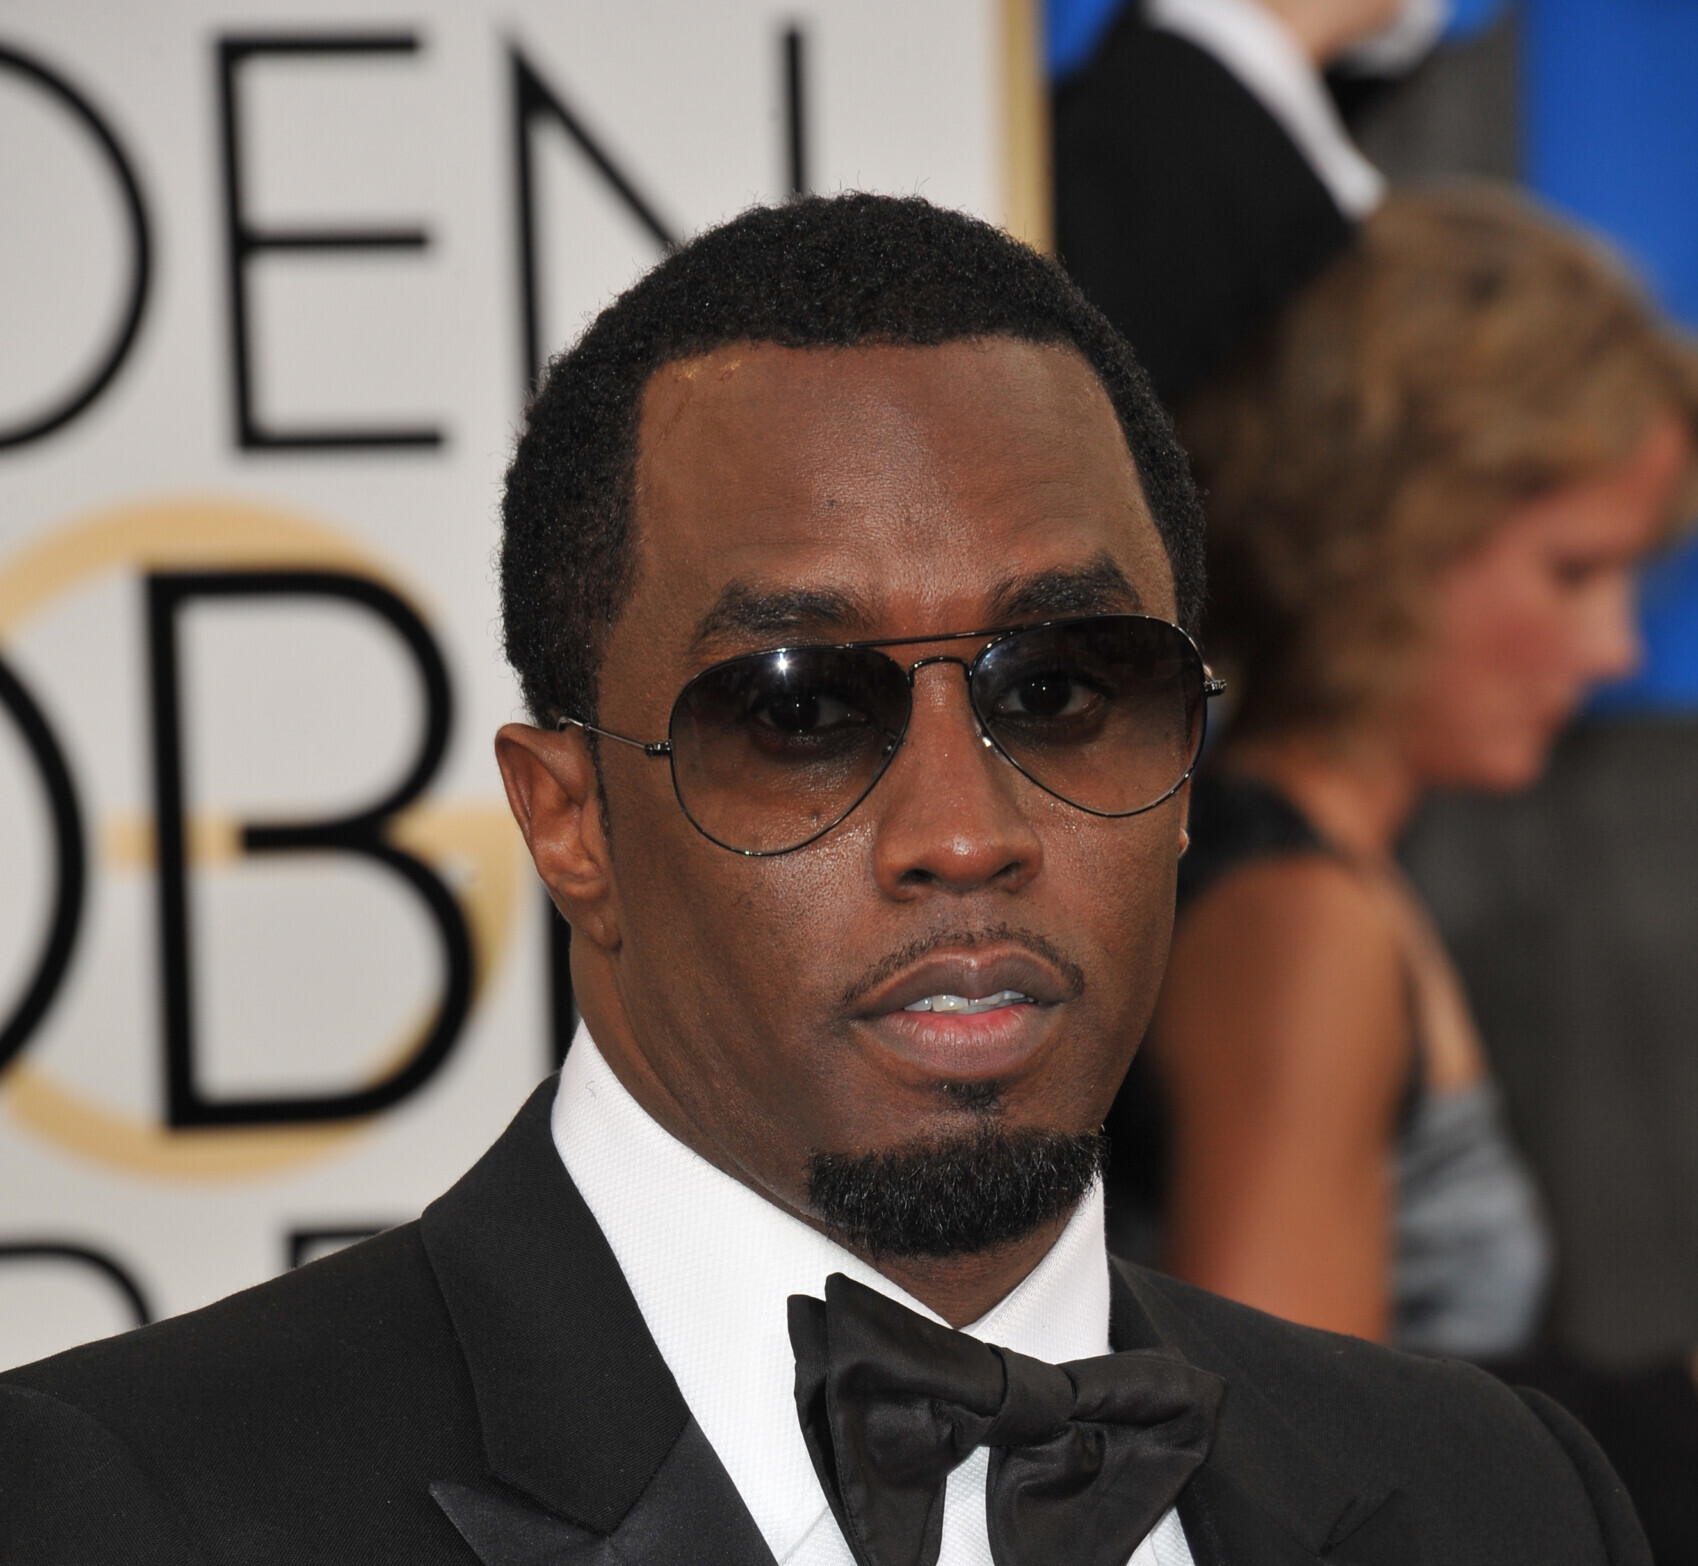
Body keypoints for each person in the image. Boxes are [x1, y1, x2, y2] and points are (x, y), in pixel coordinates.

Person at [0, 195, 1650, 1566]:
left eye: (1058, 690)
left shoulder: (1499, 1500)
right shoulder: (134, 1508)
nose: (963, 829)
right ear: (569, 821)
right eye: (797, 711)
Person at [1113, 186, 1698, 1361]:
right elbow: (1281, 1446)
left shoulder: (1310, 881)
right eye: (1573, 572)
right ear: (1391, 540)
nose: (1617, 651)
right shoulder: (1296, 924)